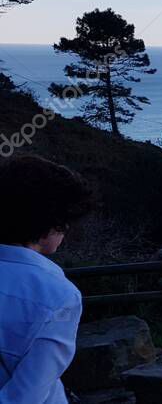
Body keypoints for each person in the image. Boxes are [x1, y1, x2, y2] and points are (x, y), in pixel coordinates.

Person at [0, 156, 92, 404]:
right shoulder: (60, 295)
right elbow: (28, 394)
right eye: (65, 221)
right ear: (49, 224)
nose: (67, 229)